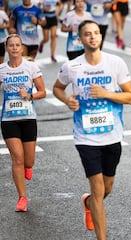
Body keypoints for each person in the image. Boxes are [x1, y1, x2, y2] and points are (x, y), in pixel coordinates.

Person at [53, 20, 131, 239]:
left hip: (112, 135)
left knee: (107, 188)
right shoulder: (72, 66)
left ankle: (88, 202)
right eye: (87, 34)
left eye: (96, 33)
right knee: (98, 190)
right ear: (80, 39)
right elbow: (57, 88)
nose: (92, 37)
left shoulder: (115, 63)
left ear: (101, 37)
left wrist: (106, 93)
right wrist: (66, 100)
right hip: (86, 138)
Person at [0, 34, 46, 211]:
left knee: (28, 161)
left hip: (28, 119)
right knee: (17, 159)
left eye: (17, 45)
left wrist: (30, 95)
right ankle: (22, 197)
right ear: (6, 48)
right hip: (9, 120)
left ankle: (28, 167)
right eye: (11, 45)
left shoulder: (31, 67)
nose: (14, 48)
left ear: (22, 48)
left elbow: (42, 91)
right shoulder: (2, 70)